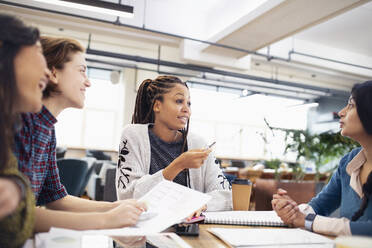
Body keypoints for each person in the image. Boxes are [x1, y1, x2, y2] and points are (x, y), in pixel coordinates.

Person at [14, 36, 146, 232]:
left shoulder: (46, 129)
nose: (88, 82)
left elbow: (56, 198)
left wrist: (113, 207)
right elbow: (16, 215)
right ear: (53, 74)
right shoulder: (20, 121)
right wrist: (106, 220)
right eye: (82, 71)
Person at [116, 75, 232, 213]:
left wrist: (202, 205)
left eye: (188, 103)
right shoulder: (133, 135)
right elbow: (128, 195)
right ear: (157, 106)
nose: (186, 109)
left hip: (189, 229)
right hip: (145, 226)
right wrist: (178, 165)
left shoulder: (198, 144)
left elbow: (226, 196)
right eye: (179, 101)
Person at [272, 80, 372, 236]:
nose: (341, 112)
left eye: (351, 105)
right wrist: (293, 211)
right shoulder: (349, 161)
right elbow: (320, 205)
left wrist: (307, 221)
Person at [0, 14, 50, 248]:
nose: (48, 74)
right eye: (39, 51)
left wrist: (16, 187)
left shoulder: (8, 126)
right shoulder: (24, 125)